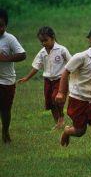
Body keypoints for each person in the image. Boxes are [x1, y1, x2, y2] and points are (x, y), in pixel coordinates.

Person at [55, 24, 91, 167]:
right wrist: (61, 92)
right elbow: (65, 72)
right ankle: (68, 131)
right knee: (79, 131)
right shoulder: (81, 57)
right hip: (78, 99)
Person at [18, 26, 71, 129]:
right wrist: (27, 78)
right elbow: (36, 67)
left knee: (55, 98)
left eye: (46, 40)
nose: (43, 43)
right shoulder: (42, 53)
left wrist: (74, 76)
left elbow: (71, 63)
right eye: (41, 41)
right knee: (50, 102)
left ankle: (61, 116)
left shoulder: (62, 50)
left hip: (60, 79)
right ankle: (58, 123)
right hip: (48, 81)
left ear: (53, 38)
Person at [0, 8, 26, 143]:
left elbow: (22, 55)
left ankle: (5, 131)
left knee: (5, 109)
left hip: (6, 81)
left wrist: (5, 58)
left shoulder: (9, 39)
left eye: (1, 25)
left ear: (6, 25)